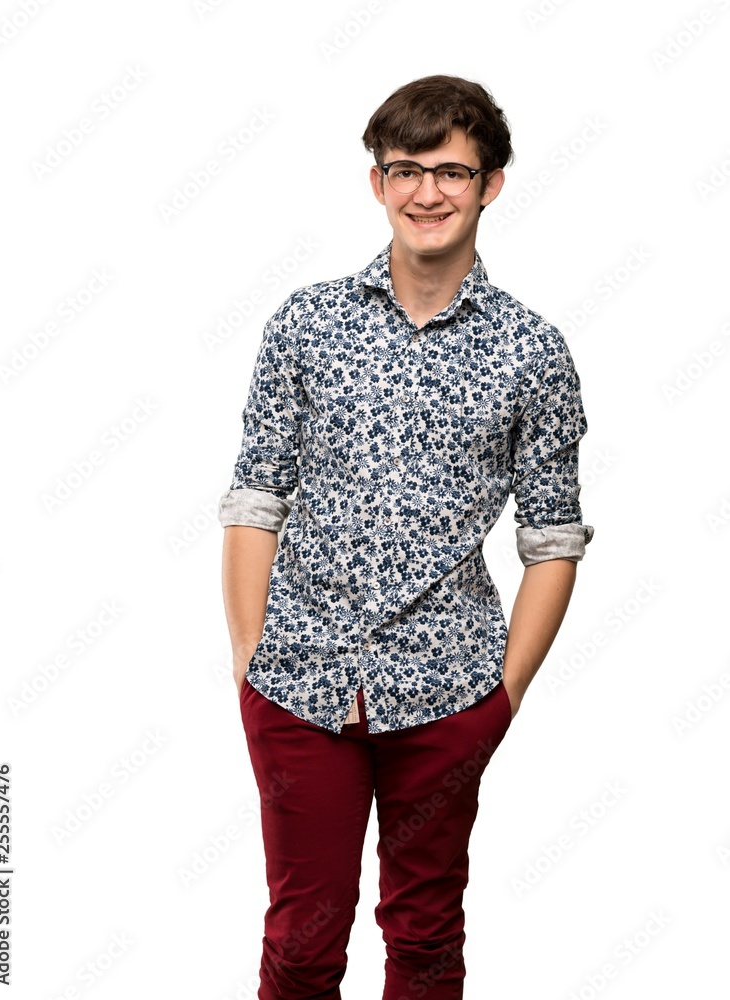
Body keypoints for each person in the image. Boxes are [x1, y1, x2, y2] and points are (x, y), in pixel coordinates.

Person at [218, 73, 594, 1000]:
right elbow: (255, 498)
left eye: (452, 172)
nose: (428, 192)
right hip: (298, 684)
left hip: (449, 690)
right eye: (406, 169)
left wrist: (502, 696)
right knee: (300, 944)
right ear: (377, 182)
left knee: (425, 937)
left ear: (490, 184)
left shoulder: (533, 351)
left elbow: (552, 540)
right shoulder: (306, 322)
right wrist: (251, 659)